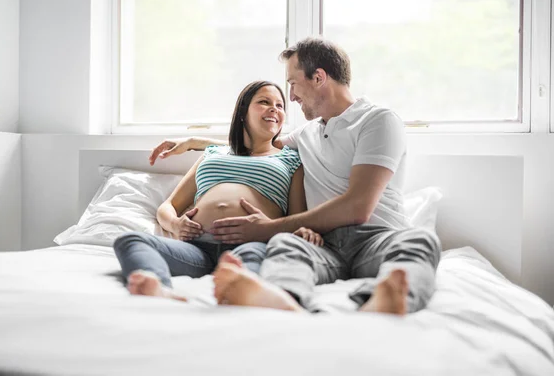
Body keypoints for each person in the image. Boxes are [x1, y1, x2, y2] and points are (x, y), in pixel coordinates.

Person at [149, 38, 441, 315]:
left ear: (318, 78)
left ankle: (381, 301)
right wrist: (195, 142)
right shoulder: (306, 134)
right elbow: (255, 145)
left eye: (292, 84)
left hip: (376, 238)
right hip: (323, 245)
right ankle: (284, 301)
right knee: (285, 246)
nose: (290, 97)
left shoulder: (378, 120)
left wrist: (268, 228)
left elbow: (358, 207)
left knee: (419, 241)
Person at [114, 80, 316, 302]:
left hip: (250, 244)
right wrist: (176, 225)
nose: (274, 109)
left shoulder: (290, 159)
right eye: (264, 102)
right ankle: (158, 288)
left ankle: (240, 292)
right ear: (242, 112)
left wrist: (303, 231)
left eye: (280, 106)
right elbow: (169, 206)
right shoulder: (213, 154)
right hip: (198, 248)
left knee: (250, 264)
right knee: (130, 240)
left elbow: (297, 219)